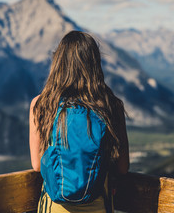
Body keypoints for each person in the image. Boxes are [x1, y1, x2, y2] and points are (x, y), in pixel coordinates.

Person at [29, 30, 129, 213]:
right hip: (98, 205)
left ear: (58, 63)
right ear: (94, 64)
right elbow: (123, 168)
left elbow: (36, 165)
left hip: (55, 207)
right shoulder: (111, 105)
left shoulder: (42, 104)